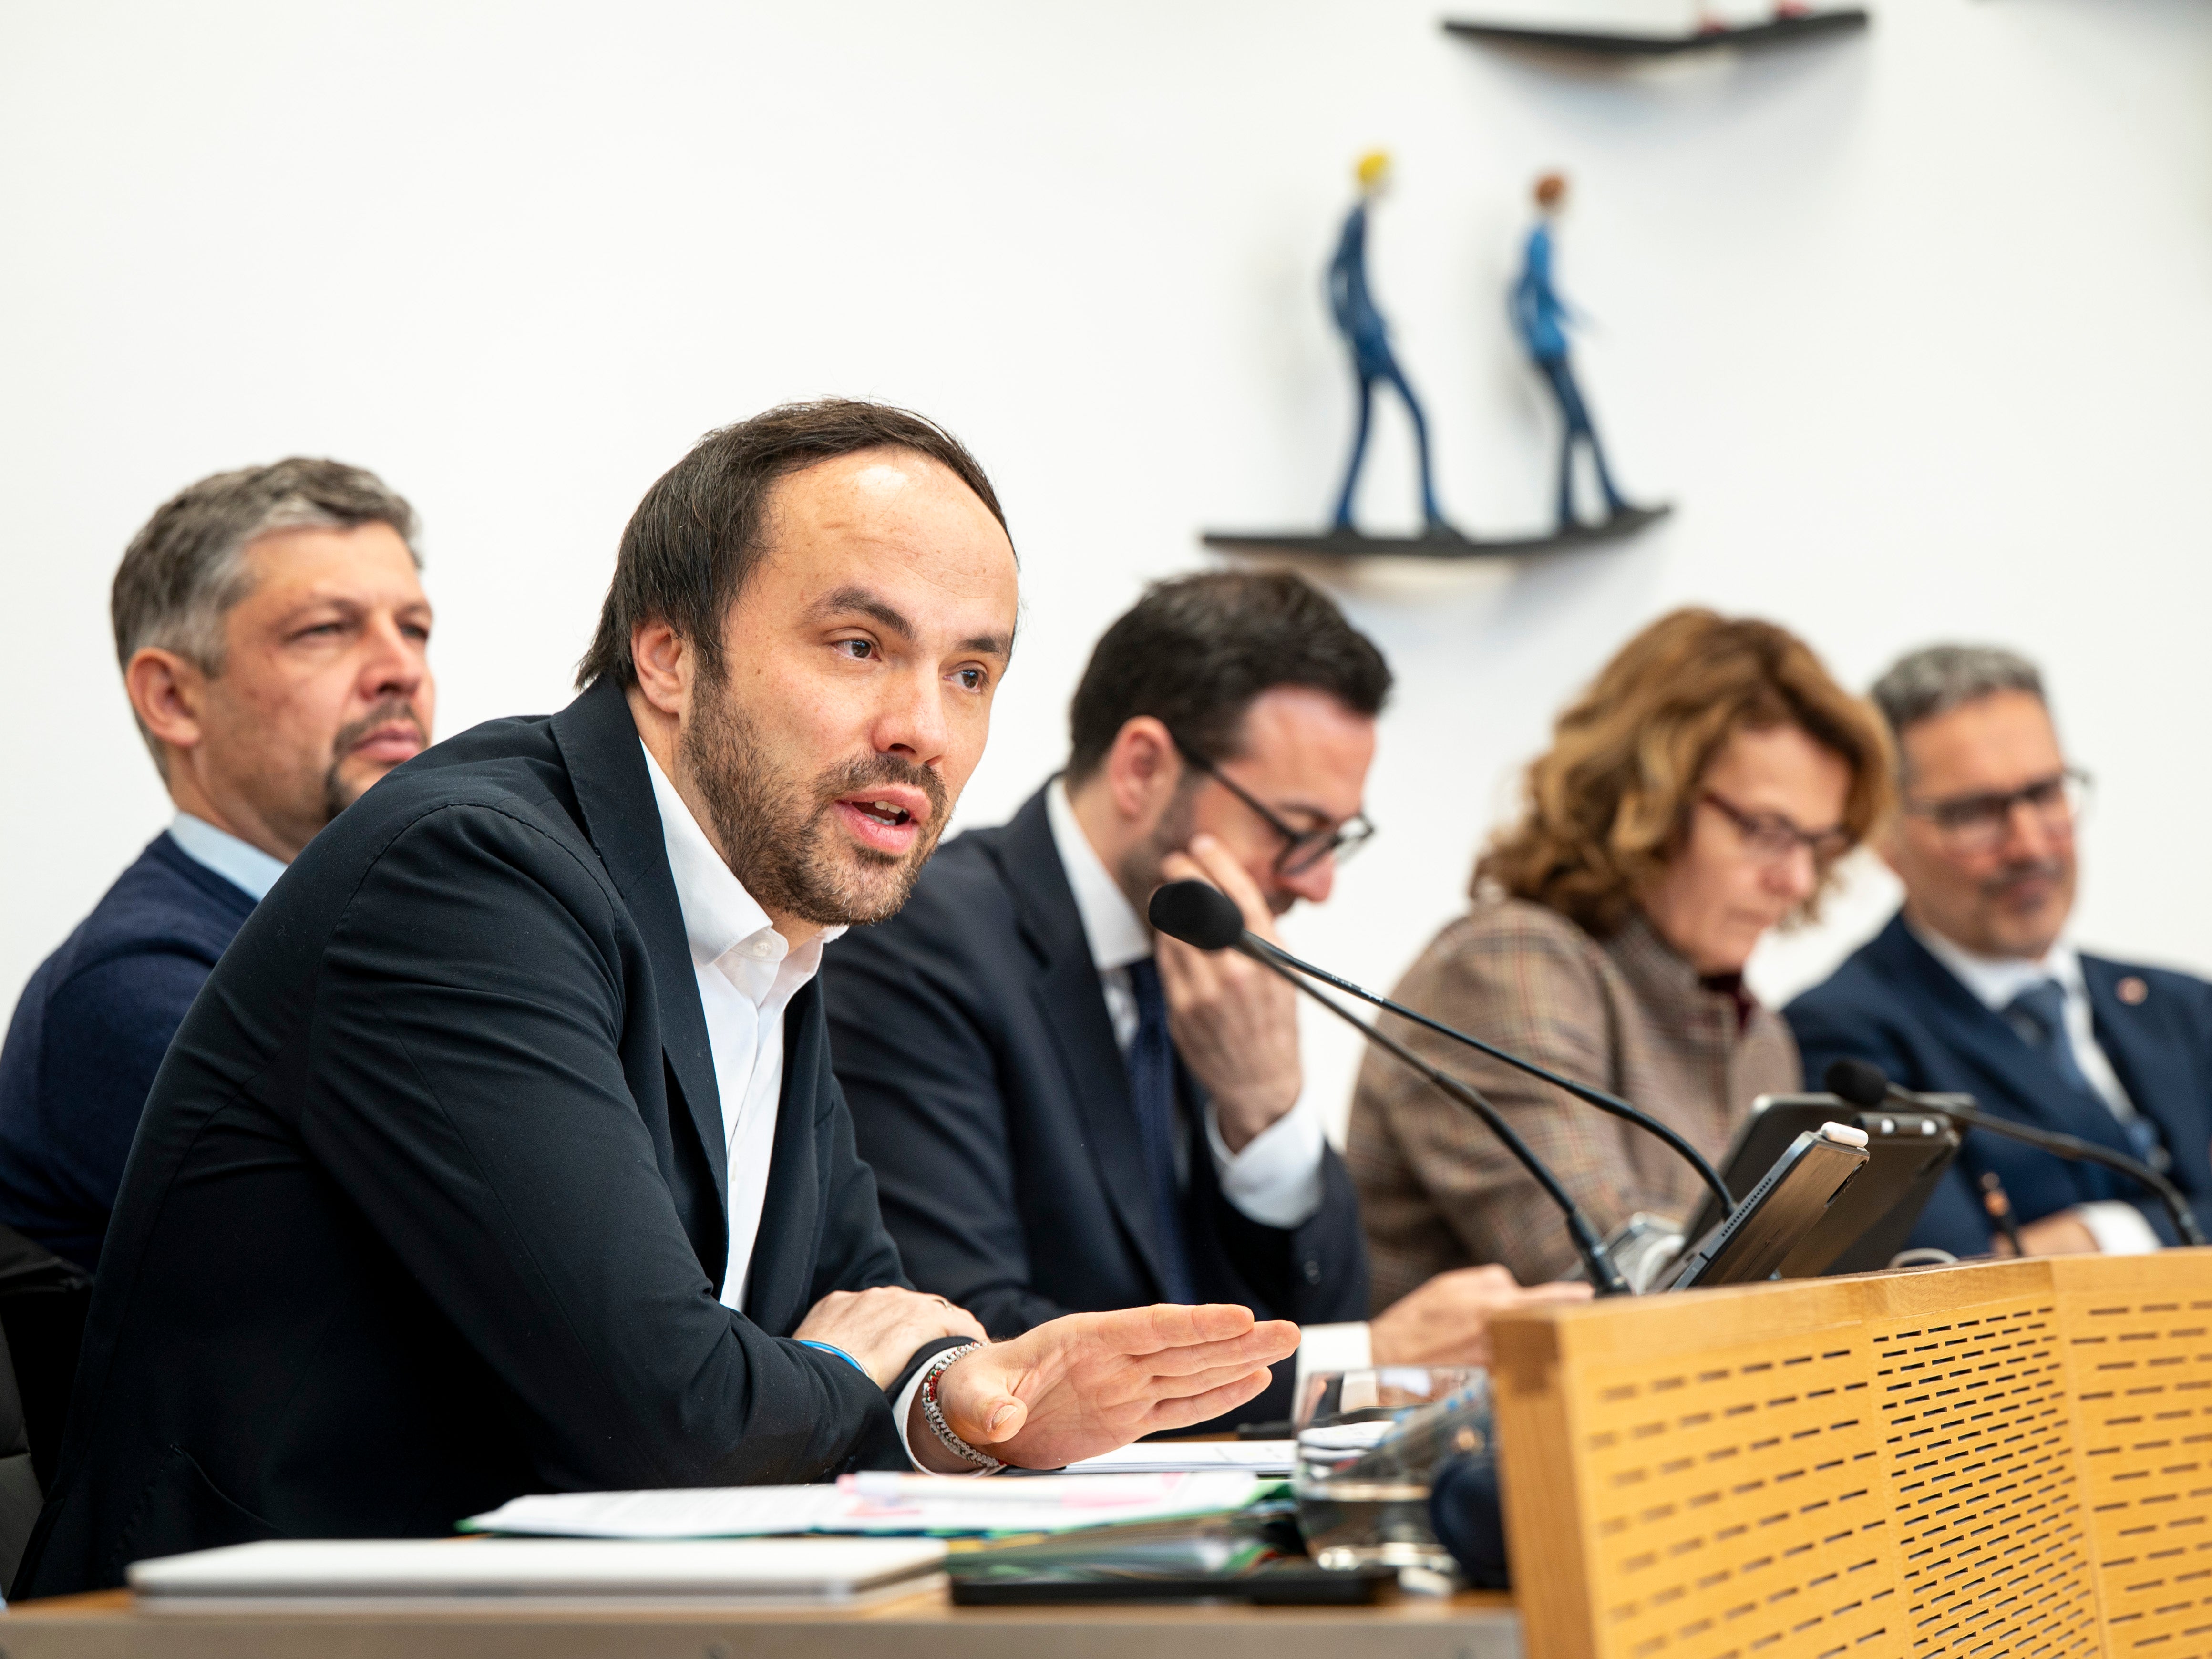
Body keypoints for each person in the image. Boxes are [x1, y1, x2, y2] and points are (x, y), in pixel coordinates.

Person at [15, 402, 1296, 1597]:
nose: (923, 726)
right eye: (859, 645)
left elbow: (886, 1311)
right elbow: (665, 1403)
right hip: (258, 1629)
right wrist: (903, 1390)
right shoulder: (471, 873)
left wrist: (940, 1387)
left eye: (970, 672)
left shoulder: (762, 922)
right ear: (668, 654)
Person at [823, 571, 1585, 1427]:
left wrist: (1265, 1111)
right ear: (1143, 768)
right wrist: (1362, 1363)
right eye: (1294, 831)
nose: (1318, 881)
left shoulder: (1208, 960)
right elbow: (973, 1343)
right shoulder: (921, 936)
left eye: (1338, 839)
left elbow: (1328, 1293)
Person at [1348, 609, 1893, 1293]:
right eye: (1764, 830)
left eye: (1816, 843)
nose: (1795, 880)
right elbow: (1613, 1278)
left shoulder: (1756, 1035)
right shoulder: (1507, 963)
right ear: (1645, 798)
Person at [0, 460, 436, 1272]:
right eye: (325, 629)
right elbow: (457, 1293)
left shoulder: (428, 942)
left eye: (413, 628)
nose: (400, 668)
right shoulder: (131, 988)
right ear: (171, 698)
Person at [1787, 646, 2212, 1259]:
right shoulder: (1848, 1038)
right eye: (1975, 814)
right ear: (1886, 835)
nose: (2029, 843)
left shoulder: (2183, 1007)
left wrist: (2088, 1234)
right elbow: (1950, 1278)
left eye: (2044, 793)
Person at [1329, 150, 1452, 536]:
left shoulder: (1362, 217)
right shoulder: (1356, 219)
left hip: (1368, 331)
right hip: (1368, 340)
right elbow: (1332, 275)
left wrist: (1371, 319)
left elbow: (1351, 279)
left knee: (1366, 428)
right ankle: (1430, 512)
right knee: (1418, 416)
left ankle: (1343, 512)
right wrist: (1349, 329)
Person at [1511, 172, 1631, 533]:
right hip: (1549, 344)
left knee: (1575, 426)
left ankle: (1584, 503)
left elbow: (1520, 289)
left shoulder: (1540, 237)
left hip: (1547, 340)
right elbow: (1539, 288)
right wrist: (1572, 318)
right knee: (1581, 423)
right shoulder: (1538, 240)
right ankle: (1599, 500)